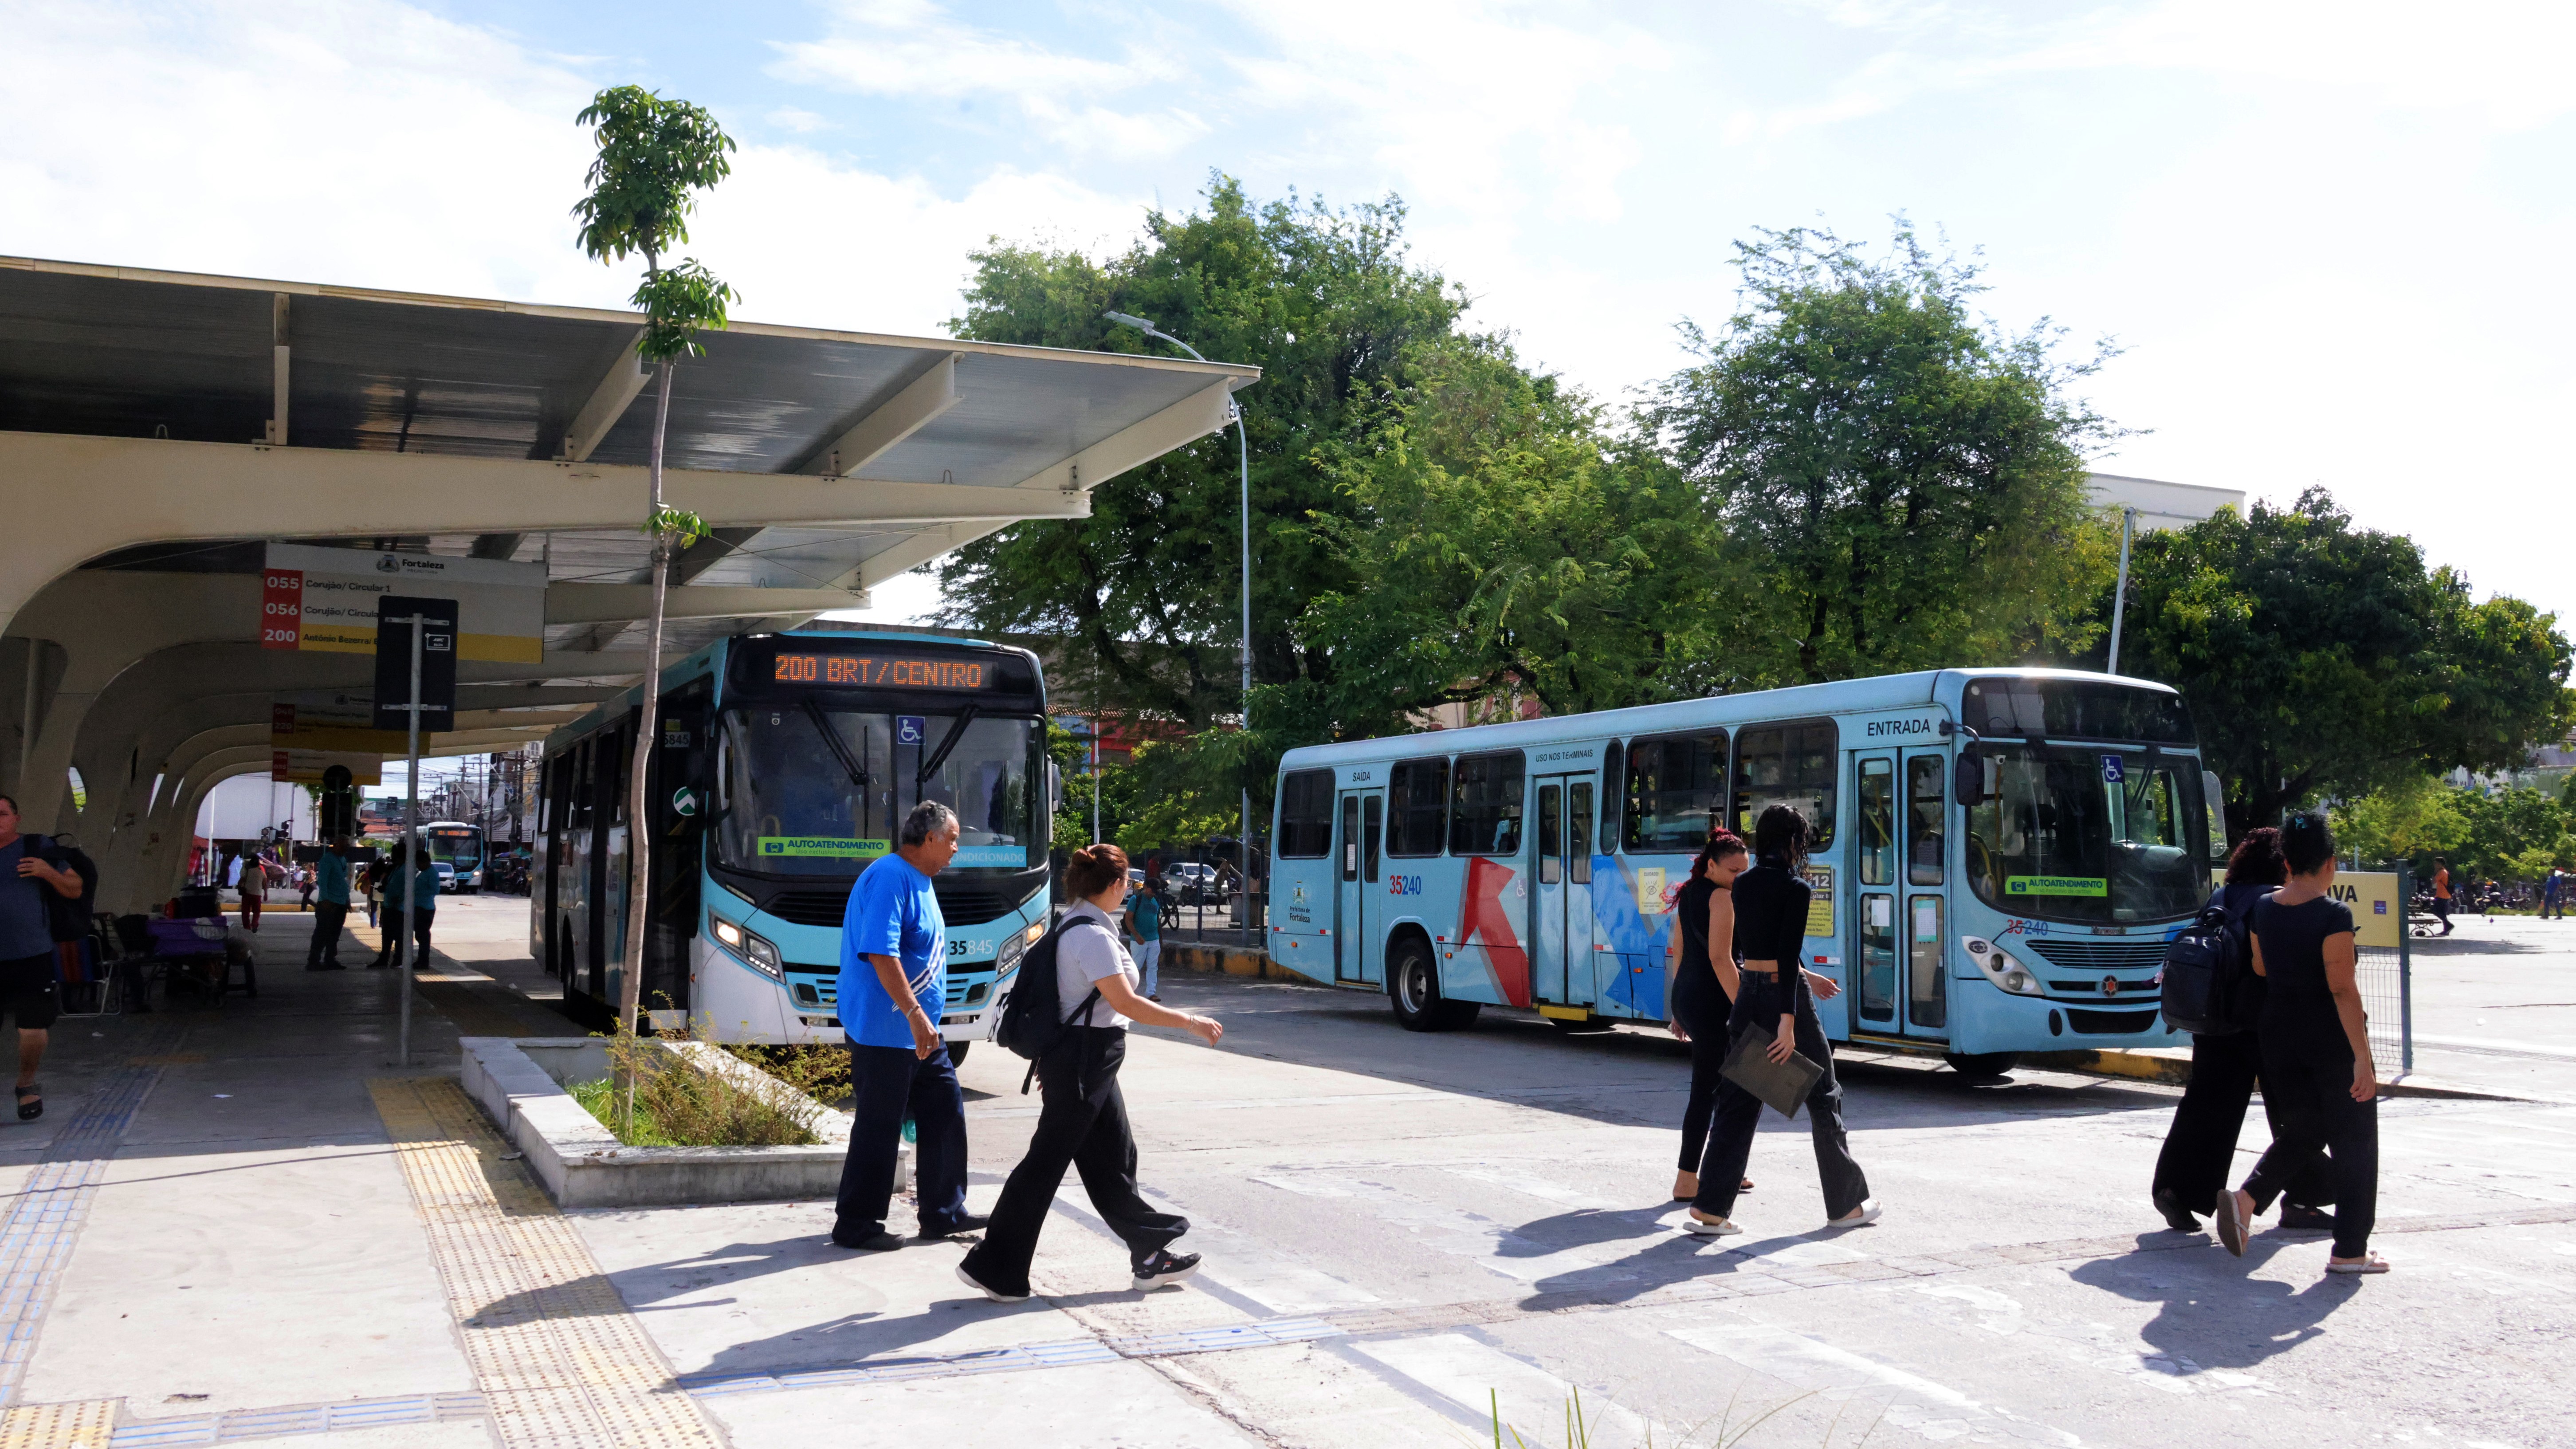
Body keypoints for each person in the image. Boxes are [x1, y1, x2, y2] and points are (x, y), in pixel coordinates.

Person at [959, 844, 1222, 1303]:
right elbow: (1125, 1004)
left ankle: (1149, 1254)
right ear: (1117, 885)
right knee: (1045, 1164)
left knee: (1115, 1158)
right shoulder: (1092, 937)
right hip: (1084, 1061)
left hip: (1087, 1062)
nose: (1128, 892)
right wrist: (1190, 1022)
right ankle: (995, 1266)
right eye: (1128, 885)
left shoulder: (1076, 923)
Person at [1683, 806, 1876, 1237]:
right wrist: (1788, 1022)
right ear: (1793, 843)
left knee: (1739, 1095)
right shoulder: (1796, 889)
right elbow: (1787, 960)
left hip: (1749, 990)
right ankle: (1845, 1206)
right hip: (1784, 995)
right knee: (1824, 1094)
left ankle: (1711, 1207)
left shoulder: (1742, 884)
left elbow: (1751, 950)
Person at [2215, 812, 2388, 1273]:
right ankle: (2350, 1250)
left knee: (2308, 1127)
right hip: (2328, 1037)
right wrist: (2363, 1060)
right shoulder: (2334, 915)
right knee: (2355, 1142)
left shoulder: (2265, 908)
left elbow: (2260, 967)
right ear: (2330, 862)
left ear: (2286, 861)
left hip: (2278, 1034)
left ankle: (2248, 1199)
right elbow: (2342, 989)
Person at [2149, 828, 2333, 1233]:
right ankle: (2305, 1196)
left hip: (2212, 1017)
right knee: (2296, 1112)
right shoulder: (2275, 901)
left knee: (2207, 1105)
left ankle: (2176, 1189)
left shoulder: (2222, 897)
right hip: (2261, 1021)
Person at [832, 801, 982, 1251]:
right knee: (880, 1124)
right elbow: (882, 952)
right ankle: (856, 1223)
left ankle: (942, 1212)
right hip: (888, 1029)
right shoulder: (892, 876)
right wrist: (916, 1014)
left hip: (918, 1032)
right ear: (930, 838)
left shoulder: (921, 881)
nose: (957, 848)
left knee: (944, 1110)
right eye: (953, 839)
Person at [1665, 830, 1756, 1202]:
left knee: (1725, 1087)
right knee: (1708, 1090)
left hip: (1690, 996)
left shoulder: (1689, 893)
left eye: (1745, 870)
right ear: (1713, 864)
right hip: (1712, 1000)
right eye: (1734, 870)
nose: (1740, 877)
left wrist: (1678, 1009)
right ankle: (1687, 1179)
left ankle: (1725, 1165)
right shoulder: (1721, 897)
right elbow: (1722, 958)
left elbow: (1679, 952)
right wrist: (1743, 1007)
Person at [0, 796, 82, 1122]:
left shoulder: (37, 847)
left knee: (32, 1030)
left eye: (2, 814)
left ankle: (26, 1082)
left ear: (17, 818)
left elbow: (75, 888)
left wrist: (48, 872)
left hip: (31, 954)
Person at [307, 838, 352, 972]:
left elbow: (342, 881)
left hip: (341, 902)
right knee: (322, 934)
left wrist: (347, 899)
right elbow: (323, 881)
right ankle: (313, 961)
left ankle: (330, 959)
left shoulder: (343, 860)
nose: (345, 849)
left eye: (347, 847)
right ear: (336, 845)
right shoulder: (327, 859)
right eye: (343, 846)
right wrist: (325, 899)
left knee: (335, 934)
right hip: (329, 902)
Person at [1126, 870, 1164, 1002]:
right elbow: (1129, 920)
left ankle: (1151, 993)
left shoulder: (1155, 901)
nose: (1154, 893)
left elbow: (1157, 920)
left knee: (1153, 967)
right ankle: (1129, 993)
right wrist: (1136, 935)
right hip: (1139, 940)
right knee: (1135, 967)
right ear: (1146, 887)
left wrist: (1160, 939)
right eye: (1152, 890)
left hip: (1153, 939)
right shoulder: (1135, 900)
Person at [236, 850, 265, 932]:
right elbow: (265, 882)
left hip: (247, 893)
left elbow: (242, 879)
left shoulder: (246, 867)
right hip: (257, 894)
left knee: (245, 911)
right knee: (257, 911)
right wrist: (266, 893)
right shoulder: (261, 870)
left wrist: (239, 887)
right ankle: (255, 924)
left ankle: (247, 927)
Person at [2429, 857, 2453, 935]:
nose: (2434, 865)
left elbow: (2433, 882)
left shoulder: (2441, 872)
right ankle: (2447, 929)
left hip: (2442, 895)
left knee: (2435, 910)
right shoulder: (2445, 871)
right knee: (2442, 913)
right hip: (2445, 895)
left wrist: (2434, 873)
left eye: (2436, 863)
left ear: (2440, 864)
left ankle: (2449, 925)